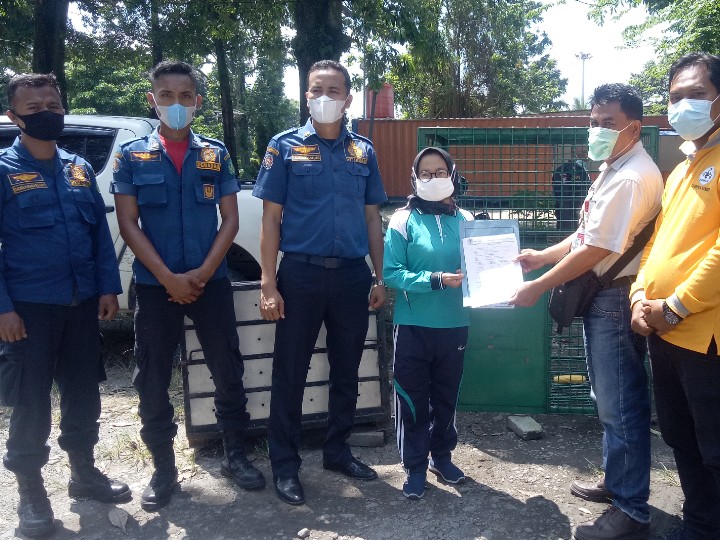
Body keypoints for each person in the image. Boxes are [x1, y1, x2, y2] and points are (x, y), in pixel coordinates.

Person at [508, 83, 663, 540]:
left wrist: (538, 286)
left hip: (613, 296)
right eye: (593, 121)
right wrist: (543, 257)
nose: (596, 130)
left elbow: (596, 249)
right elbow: (584, 234)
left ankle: (631, 510)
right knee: (608, 399)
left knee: (621, 404)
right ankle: (617, 483)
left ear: (633, 128)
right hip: (604, 295)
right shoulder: (614, 169)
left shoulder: (631, 177)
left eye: (608, 123)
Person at [112, 60, 264, 512]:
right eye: (166, 96)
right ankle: (164, 469)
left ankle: (235, 454)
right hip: (155, 287)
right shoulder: (132, 155)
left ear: (197, 102)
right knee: (151, 377)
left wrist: (202, 272)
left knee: (227, 368)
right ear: (152, 100)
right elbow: (128, 222)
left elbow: (230, 219)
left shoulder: (215, 153)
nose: (175, 104)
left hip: (209, 282)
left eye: (184, 97)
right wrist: (167, 278)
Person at [0, 73, 130, 538]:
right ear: (14, 117)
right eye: (33, 108)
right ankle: (31, 492)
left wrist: (108, 288)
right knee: (31, 400)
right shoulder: (3, 170)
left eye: (52, 105)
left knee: (83, 392)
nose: (46, 114)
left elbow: (98, 235)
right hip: (28, 309)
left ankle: (83, 472)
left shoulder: (78, 168)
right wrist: (3, 308)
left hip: (81, 304)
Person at [253, 59, 387, 506]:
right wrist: (268, 283)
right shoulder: (283, 146)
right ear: (306, 95)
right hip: (300, 275)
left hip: (351, 276)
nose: (325, 97)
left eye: (334, 90)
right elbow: (270, 220)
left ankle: (337, 451)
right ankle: (285, 465)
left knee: (347, 369)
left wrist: (379, 276)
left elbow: (373, 219)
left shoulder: (363, 151)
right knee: (289, 372)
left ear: (348, 98)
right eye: (317, 90)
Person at [630, 52, 720, 539]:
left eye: (697, 94)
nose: (684, 104)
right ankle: (699, 525)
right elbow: (656, 245)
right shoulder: (682, 169)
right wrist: (639, 298)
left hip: (705, 338)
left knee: (714, 449)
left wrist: (676, 306)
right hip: (664, 333)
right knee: (681, 440)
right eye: (675, 96)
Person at [383, 147, 473, 500]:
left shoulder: (466, 220)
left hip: (455, 324)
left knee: (447, 397)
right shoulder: (401, 220)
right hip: (413, 326)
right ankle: (415, 466)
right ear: (414, 178)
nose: (433, 178)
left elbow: (482, 266)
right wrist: (435, 279)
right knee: (412, 399)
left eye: (440, 172)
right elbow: (392, 273)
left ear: (452, 175)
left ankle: (442, 457)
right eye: (425, 173)